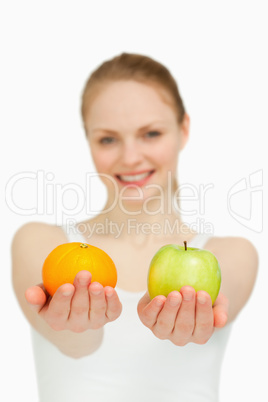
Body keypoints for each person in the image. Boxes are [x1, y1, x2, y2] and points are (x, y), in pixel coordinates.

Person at [12, 53, 258, 402]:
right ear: (88, 141)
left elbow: (211, 314)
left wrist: (189, 323)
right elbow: (76, 347)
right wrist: (78, 327)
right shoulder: (41, 243)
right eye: (108, 139)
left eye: (151, 133)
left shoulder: (233, 253)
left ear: (183, 129)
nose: (130, 158)